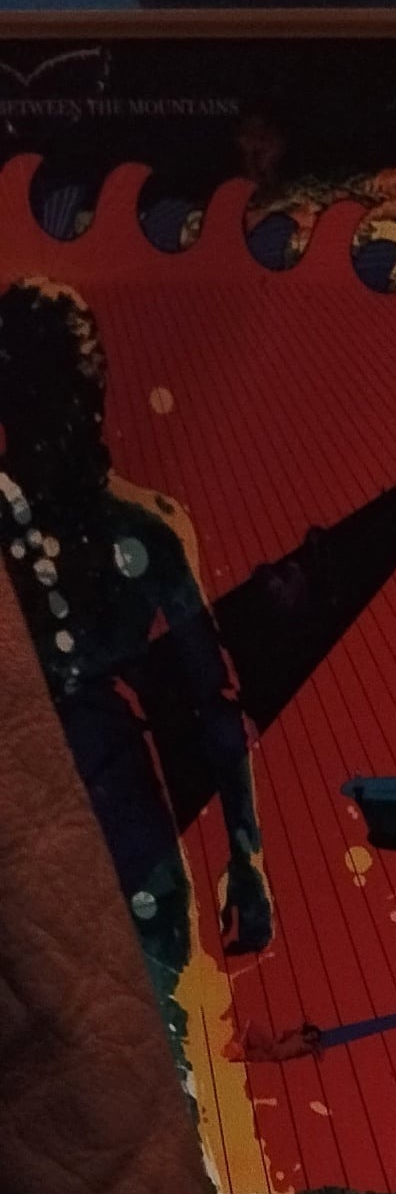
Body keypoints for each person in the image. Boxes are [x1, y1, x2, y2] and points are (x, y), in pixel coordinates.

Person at [0, 278, 270, 1072]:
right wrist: (246, 857)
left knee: (153, 1069)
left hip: (118, 839)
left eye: (71, 403)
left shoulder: (145, 529)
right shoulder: (142, 528)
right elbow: (216, 701)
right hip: (70, 838)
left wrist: (247, 857)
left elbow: (216, 701)